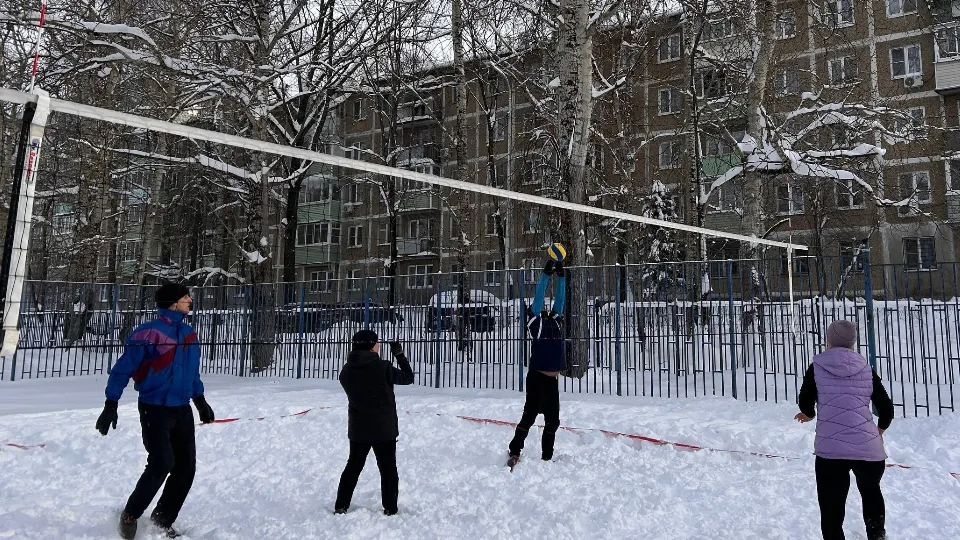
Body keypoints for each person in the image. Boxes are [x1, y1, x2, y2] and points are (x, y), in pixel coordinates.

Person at [95, 282, 215, 539]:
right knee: (162, 462)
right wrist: (110, 403)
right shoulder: (147, 333)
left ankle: (162, 520)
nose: (190, 300)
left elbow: (191, 373)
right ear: (173, 302)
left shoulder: (189, 334)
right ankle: (130, 514)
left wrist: (200, 400)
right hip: (155, 409)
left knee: (186, 467)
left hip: (182, 409)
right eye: (186, 297)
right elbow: (122, 370)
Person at [795, 320, 894, 540]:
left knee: (831, 509)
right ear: (853, 343)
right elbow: (886, 409)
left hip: (831, 451)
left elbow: (804, 401)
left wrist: (809, 414)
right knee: (871, 492)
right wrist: (879, 430)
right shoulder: (866, 368)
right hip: (868, 450)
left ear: (828, 341)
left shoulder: (817, 366)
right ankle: (877, 533)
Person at [335, 330, 414, 515]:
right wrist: (400, 355)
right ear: (372, 345)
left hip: (358, 427)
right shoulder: (383, 367)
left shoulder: (346, 370)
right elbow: (408, 378)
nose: (378, 345)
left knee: (353, 466)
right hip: (383, 428)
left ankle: (341, 505)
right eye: (377, 342)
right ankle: (390, 508)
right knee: (387, 469)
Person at [507, 257, 567, 468]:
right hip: (536, 379)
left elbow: (560, 299)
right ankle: (514, 450)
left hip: (552, 381)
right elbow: (539, 298)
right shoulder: (535, 322)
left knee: (553, 422)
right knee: (529, 418)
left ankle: (547, 457)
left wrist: (561, 277)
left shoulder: (556, 321)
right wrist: (545, 274)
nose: (542, 308)